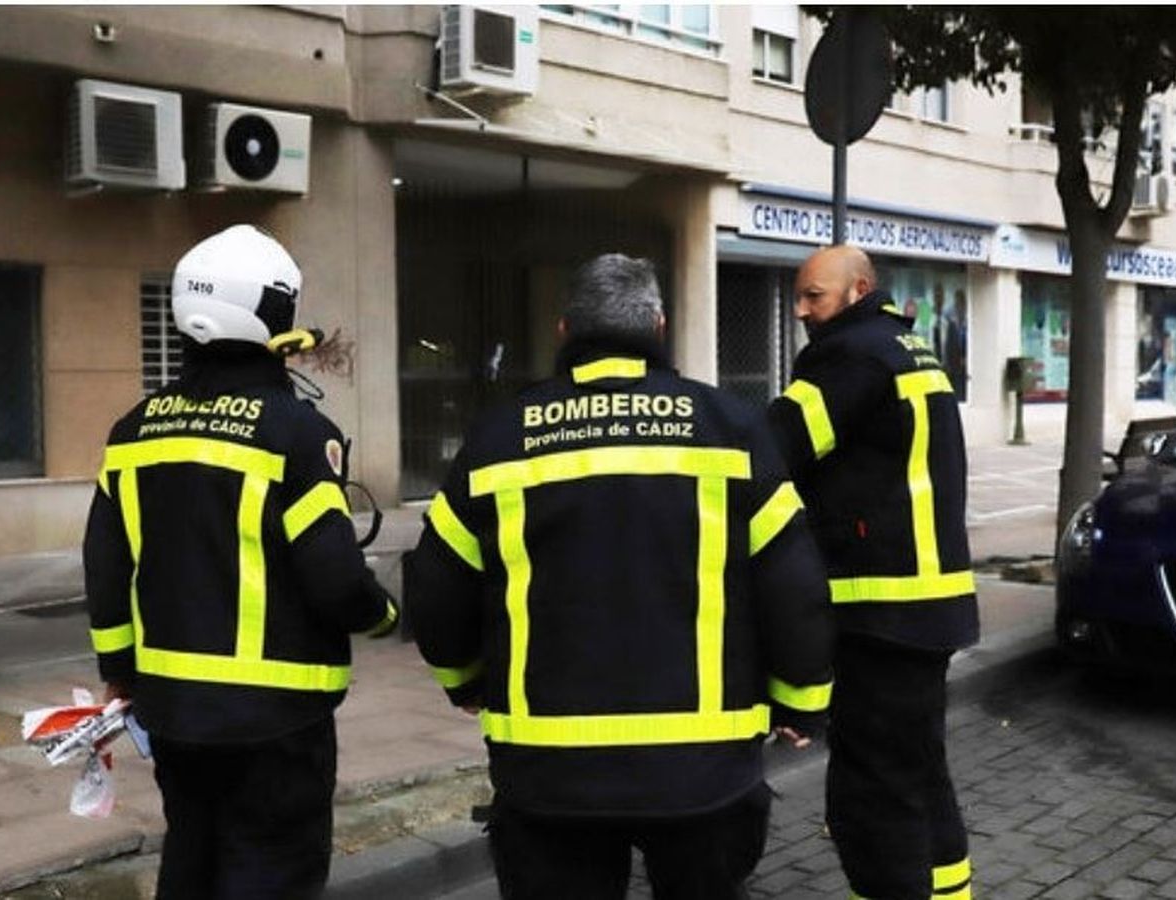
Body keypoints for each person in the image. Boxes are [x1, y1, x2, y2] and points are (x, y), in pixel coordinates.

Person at [405, 253, 834, 899]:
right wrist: (801, 699)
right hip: (705, 772)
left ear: (563, 331)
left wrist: (463, 679)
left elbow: (437, 582)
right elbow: (794, 584)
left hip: (548, 776)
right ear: (659, 326)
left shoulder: (500, 437)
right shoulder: (730, 428)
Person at [83, 224, 397, 900]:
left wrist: (119, 673)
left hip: (169, 710)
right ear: (273, 316)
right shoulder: (296, 434)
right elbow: (336, 579)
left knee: (190, 862)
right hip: (278, 717)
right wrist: (387, 615)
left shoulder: (133, 431)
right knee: (271, 872)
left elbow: (105, 568)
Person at [768, 245, 980, 900]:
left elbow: (774, 446)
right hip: (928, 605)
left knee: (870, 794)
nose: (802, 312)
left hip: (879, 611)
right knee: (920, 772)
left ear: (858, 290)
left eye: (814, 297)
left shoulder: (851, 355)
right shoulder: (908, 349)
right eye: (800, 297)